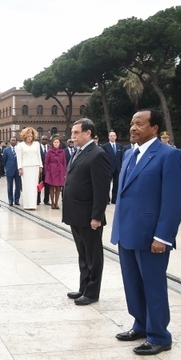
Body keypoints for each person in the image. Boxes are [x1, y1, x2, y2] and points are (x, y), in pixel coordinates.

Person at [110, 108, 181, 356]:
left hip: (151, 236)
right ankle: (140, 325)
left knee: (153, 286)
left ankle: (159, 335)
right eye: (132, 123)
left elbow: (173, 201)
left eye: (139, 124)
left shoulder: (168, 155)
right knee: (132, 284)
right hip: (127, 233)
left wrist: (163, 236)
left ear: (154, 128)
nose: (133, 128)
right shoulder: (130, 154)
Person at [62, 119, 110, 306]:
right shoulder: (79, 152)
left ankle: (92, 292)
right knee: (83, 254)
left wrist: (97, 216)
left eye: (76, 133)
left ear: (88, 133)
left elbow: (101, 189)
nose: (72, 136)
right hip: (76, 213)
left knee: (93, 255)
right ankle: (83, 287)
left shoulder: (97, 154)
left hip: (89, 215)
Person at [16, 127, 43, 210]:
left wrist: (40, 166)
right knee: (26, 185)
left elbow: (39, 155)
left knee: (34, 186)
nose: (30, 137)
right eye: (28, 135)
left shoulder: (37, 144)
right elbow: (19, 157)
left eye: (31, 135)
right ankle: (27, 204)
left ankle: (33, 204)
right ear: (24, 136)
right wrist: (20, 168)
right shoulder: (20, 145)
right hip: (25, 167)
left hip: (35, 166)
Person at [44, 135, 67, 209]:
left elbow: (64, 162)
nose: (56, 143)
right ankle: (52, 203)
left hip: (60, 170)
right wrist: (46, 171)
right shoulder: (49, 151)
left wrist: (64, 172)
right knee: (51, 187)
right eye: (55, 142)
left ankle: (56, 203)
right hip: (51, 170)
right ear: (52, 143)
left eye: (57, 142)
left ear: (59, 143)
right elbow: (46, 162)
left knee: (58, 187)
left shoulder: (62, 152)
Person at [102, 131, 123, 204]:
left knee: (116, 184)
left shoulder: (119, 146)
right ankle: (106, 199)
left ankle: (115, 199)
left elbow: (121, 157)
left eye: (114, 136)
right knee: (107, 184)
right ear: (108, 137)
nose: (112, 137)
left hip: (118, 168)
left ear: (116, 137)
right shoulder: (105, 146)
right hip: (109, 168)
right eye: (111, 136)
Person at [2, 137, 21, 206]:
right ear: (10, 141)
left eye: (14, 140)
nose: (13, 142)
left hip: (18, 170)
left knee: (18, 186)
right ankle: (10, 200)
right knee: (10, 186)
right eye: (12, 140)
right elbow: (4, 160)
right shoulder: (6, 150)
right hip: (9, 170)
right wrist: (7, 168)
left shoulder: (19, 150)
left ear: (16, 142)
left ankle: (17, 200)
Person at [38, 135, 51, 205]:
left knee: (47, 186)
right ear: (41, 140)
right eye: (43, 139)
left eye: (46, 139)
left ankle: (46, 200)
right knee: (39, 185)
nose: (44, 140)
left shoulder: (50, 147)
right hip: (39, 170)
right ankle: (38, 200)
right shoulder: (37, 148)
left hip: (47, 170)